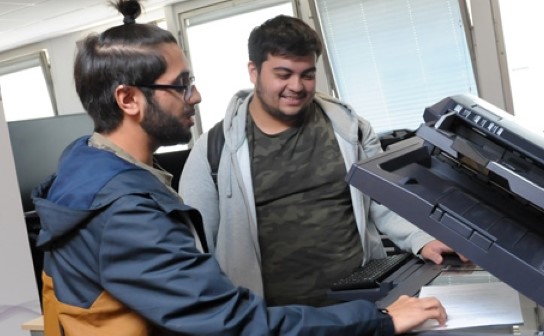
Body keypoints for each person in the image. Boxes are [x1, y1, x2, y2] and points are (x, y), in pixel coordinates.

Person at [32, 1, 447, 334]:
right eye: (181, 85)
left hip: (329, 309)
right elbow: (228, 318)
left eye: (306, 74)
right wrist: (378, 322)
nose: (194, 97)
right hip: (275, 317)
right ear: (128, 99)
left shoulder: (95, 170)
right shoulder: (125, 208)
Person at [179, 14, 467, 307]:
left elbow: (383, 201)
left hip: (362, 307)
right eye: (283, 74)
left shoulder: (350, 128)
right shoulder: (213, 150)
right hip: (276, 320)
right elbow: (196, 248)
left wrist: (421, 239)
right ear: (253, 71)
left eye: (307, 74)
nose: (297, 86)